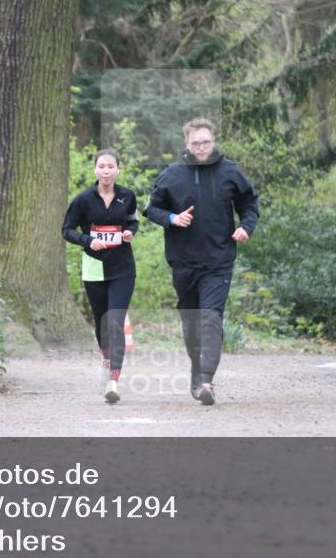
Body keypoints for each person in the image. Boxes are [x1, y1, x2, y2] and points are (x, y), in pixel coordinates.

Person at [143, 118, 259, 405]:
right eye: (196, 143)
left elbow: (249, 205)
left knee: (210, 317)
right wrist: (172, 218)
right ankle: (197, 372)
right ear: (186, 144)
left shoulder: (231, 171)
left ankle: (207, 380)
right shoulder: (172, 174)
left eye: (206, 142)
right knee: (192, 322)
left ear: (213, 141)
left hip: (219, 259)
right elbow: (151, 208)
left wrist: (246, 226)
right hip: (183, 261)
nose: (202, 147)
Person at [62, 149, 139, 404]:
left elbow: (132, 222)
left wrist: (129, 233)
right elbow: (67, 230)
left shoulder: (127, 196)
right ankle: (106, 356)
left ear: (117, 170)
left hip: (123, 268)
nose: (106, 171)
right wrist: (88, 240)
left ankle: (113, 380)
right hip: (94, 266)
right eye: (102, 166)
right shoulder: (83, 199)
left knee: (116, 320)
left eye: (111, 167)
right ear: (95, 169)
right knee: (102, 321)